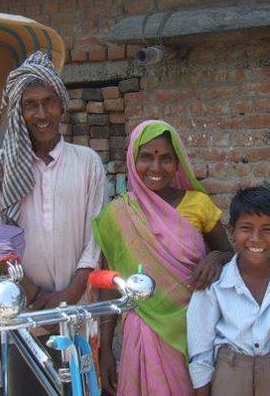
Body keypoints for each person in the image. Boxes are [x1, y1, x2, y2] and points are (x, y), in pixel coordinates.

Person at [0, 50, 107, 392]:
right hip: (22, 310)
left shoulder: (88, 163)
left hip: (77, 311)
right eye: (30, 105)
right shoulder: (2, 166)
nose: (41, 114)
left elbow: (96, 237)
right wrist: (31, 292)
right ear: (19, 112)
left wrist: (70, 294)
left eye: (48, 102)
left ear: (62, 106)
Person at [93, 119, 233, 396]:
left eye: (166, 158)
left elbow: (230, 254)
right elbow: (110, 286)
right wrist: (106, 349)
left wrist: (216, 257)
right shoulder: (118, 214)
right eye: (146, 157)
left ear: (177, 162)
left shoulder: (198, 204)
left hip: (195, 328)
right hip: (143, 330)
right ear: (133, 160)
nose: (156, 168)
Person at [187, 186, 270, 396]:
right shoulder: (214, 286)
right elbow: (200, 353)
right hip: (229, 376)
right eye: (246, 228)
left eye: (267, 229)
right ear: (231, 230)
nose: (256, 238)